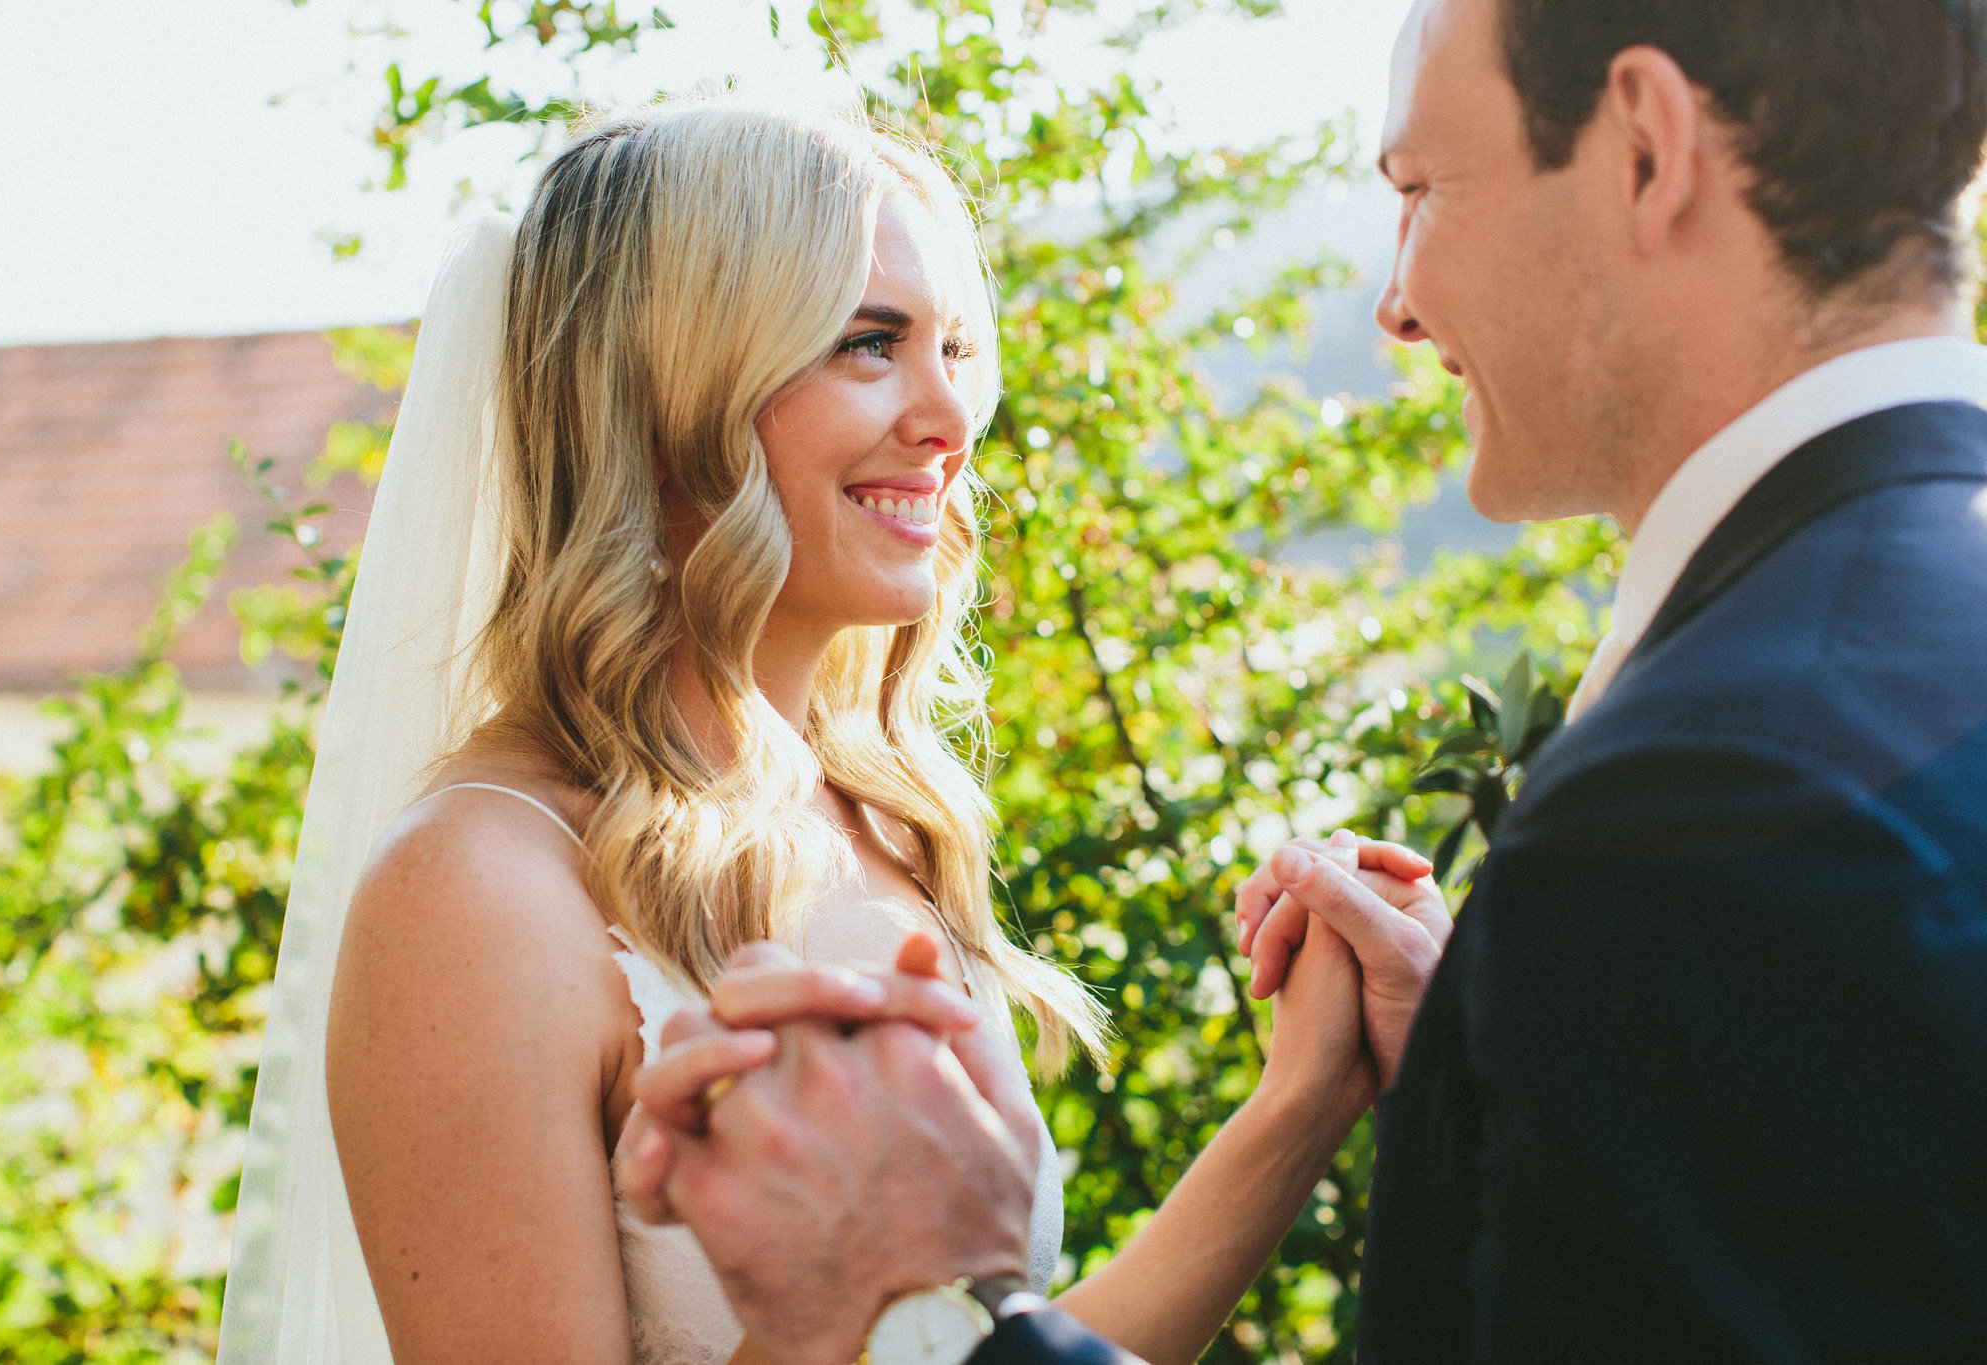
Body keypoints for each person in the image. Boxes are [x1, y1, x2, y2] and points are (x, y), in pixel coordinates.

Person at [619, 1, 1987, 1361]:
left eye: (1420, 191)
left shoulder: (1718, 796)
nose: (1394, 302)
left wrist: (929, 1303)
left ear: (1645, 146)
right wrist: (1499, 1049)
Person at [217, 94, 1448, 1365]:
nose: (951, 416)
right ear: (666, 387)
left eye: (952, 349)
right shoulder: (478, 888)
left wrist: (1305, 1099)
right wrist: (828, 1314)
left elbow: (966, 1353)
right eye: (868, 342)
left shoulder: (873, 821)